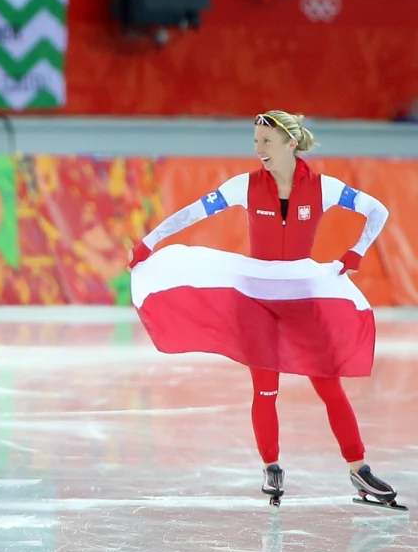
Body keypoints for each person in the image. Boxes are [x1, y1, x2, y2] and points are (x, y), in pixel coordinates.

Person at [128, 111, 399, 508]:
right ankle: (272, 465)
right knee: (265, 390)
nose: (259, 150)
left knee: (330, 387)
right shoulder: (244, 186)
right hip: (255, 301)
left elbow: (378, 210)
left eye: (266, 142)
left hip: (304, 299)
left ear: (291, 144)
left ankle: (359, 468)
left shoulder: (324, 189)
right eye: (255, 142)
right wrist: (148, 243)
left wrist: (357, 251)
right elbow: (191, 213)